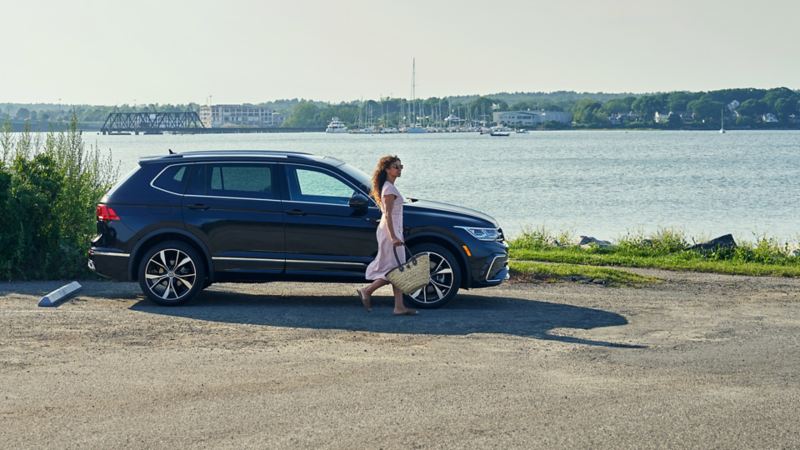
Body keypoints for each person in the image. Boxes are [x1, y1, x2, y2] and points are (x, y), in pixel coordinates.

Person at [357, 155, 418, 316]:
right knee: (395, 270)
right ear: (387, 169)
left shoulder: (388, 186)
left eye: (400, 166)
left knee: (397, 268)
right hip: (390, 231)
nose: (399, 169)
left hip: (392, 230)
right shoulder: (389, 189)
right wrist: (393, 237)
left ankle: (399, 307)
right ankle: (367, 290)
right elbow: (389, 215)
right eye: (395, 167)